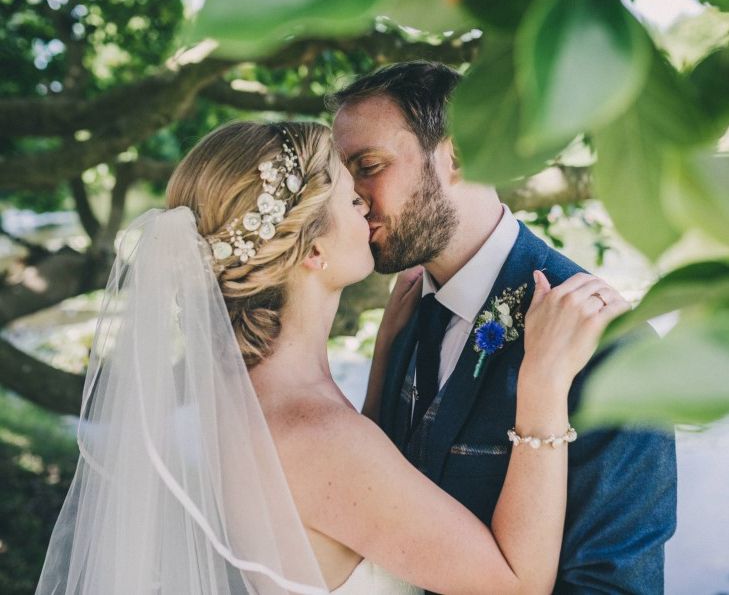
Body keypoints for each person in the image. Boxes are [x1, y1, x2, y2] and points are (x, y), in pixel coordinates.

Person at [37, 120, 628, 595]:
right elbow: (517, 585)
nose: (371, 212)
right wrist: (544, 386)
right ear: (314, 250)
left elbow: (339, 512)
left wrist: (380, 371)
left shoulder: (247, 395)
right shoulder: (315, 432)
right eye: (352, 197)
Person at [330, 62, 678, 594]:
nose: (351, 196)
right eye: (342, 174)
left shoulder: (613, 348)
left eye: (368, 165)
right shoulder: (405, 316)